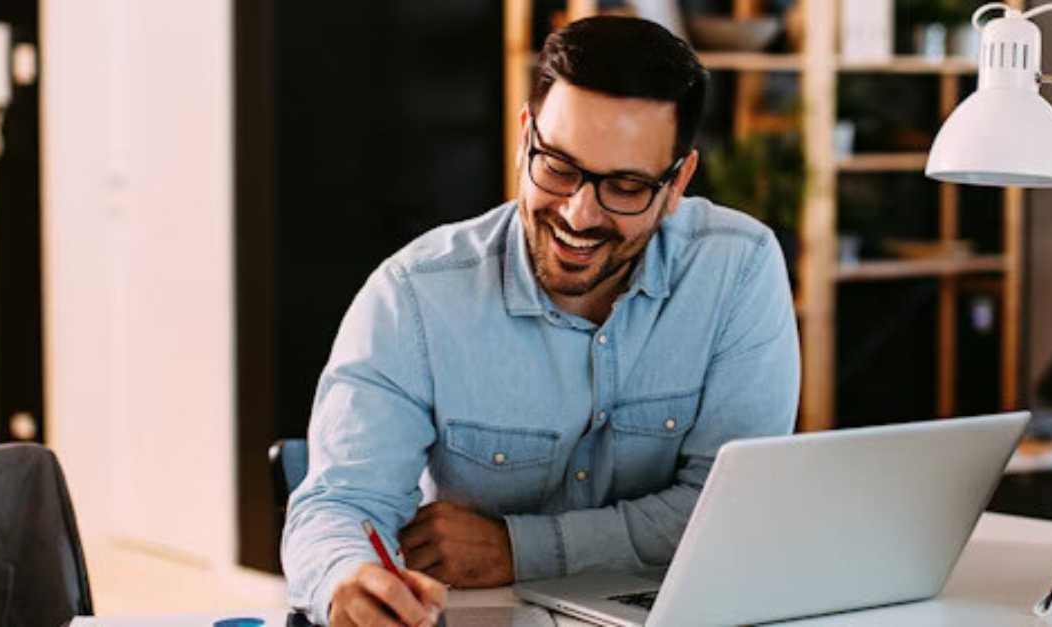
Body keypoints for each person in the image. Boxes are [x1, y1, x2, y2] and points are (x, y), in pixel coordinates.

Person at [282, 15, 800, 627]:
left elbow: (727, 513)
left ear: (677, 181)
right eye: (557, 166)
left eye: (627, 186)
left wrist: (515, 549)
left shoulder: (737, 268)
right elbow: (339, 505)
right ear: (525, 133)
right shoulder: (415, 295)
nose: (580, 215)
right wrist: (347, 578)